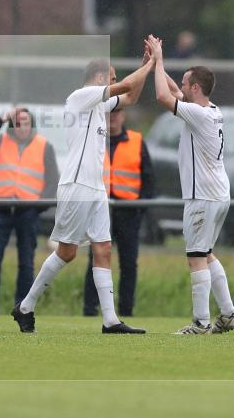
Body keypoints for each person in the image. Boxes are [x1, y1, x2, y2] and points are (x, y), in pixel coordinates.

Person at [12, 55, 151, 335]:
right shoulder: (80, 96)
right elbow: (125, 86)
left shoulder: (99, 103)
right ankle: (25, 306)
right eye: (110, 78)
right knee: (67, 252)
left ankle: (110, 320)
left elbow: (131, 96)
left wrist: (146, 66)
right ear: (100, 79)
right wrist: (151, 64)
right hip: (77, 185)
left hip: (96, 187)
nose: (114, 83)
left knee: (103, 249)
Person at [149, 34, 234, 335]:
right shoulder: (210, 110)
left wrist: (160, 60)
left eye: (187, 84)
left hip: (202, 196)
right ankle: (228, 314)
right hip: (216, 194)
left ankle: (200, 323)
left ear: (196, 88)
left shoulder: (198, 114)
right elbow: (175, 91)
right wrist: (155, 65)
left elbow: (165, 98)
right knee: (206, 253)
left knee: (195, 257)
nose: (182, 88)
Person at [0, 107, 58, 315]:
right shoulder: (1, 142)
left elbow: (53, 182)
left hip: (27, 212)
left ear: (32, 125)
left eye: (26, 122)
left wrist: (37, 206)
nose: (22, 126)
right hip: (0, 208)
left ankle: (22, 308)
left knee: (26, 263)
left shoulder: (44, 146)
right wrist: (2, 118)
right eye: (18, 122)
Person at [83, 105, 155, 318]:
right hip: (100, 210)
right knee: (95, 260)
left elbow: (149, 179)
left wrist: (141, 207)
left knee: (128, 262)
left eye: (116, 113)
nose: (112, 117)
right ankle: (90, 309)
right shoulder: (95, 141)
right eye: (108, 113)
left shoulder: (137, 140)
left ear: (123, 115)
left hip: (128, 211)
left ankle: (126, 311)